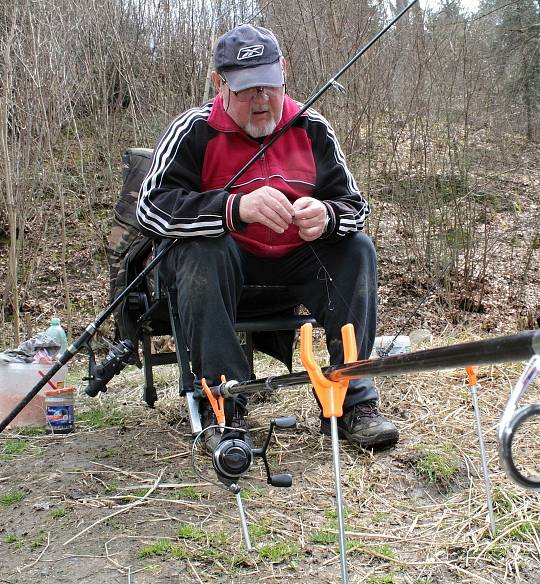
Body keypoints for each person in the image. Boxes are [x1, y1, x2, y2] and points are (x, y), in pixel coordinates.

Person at [136, 24, 398, 450]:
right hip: (224, 269)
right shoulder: (193, 131)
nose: (261, 101)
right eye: (245, 90)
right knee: (203, 250)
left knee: (356, 250)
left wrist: (328, 216)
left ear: (284, 71)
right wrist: (233, 210)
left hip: (295, 263)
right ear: (218, 82)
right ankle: (224, 405)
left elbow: (356, 207)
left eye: (269, 86)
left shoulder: (312, 128)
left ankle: (351, 403)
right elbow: (150, 208)